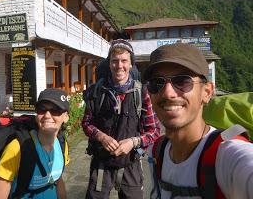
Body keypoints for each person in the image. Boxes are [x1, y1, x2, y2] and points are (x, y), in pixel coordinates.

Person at [144, 43, 253, 199]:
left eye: (182, 81)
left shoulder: (228, 157)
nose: (168, 93)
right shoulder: (157, 151)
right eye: (156, 83)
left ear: (207, 92)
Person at [82, 39, 160, 199]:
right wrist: (101, 136)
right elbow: (86, 123)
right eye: (114, 61)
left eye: (124, 61)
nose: (119, 66)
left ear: (131, 64)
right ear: (109, 64)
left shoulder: (142, 92)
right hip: (101, 163)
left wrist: (133, 142)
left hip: (131, 162)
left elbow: (154, 131)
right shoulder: (97, 92)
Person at [0, 88, 70, 199]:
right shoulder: (17, 148)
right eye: (42, 110)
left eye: (55, 110)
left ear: (66, 117)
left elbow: (58, 180)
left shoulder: (62, 145)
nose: (47, 115)